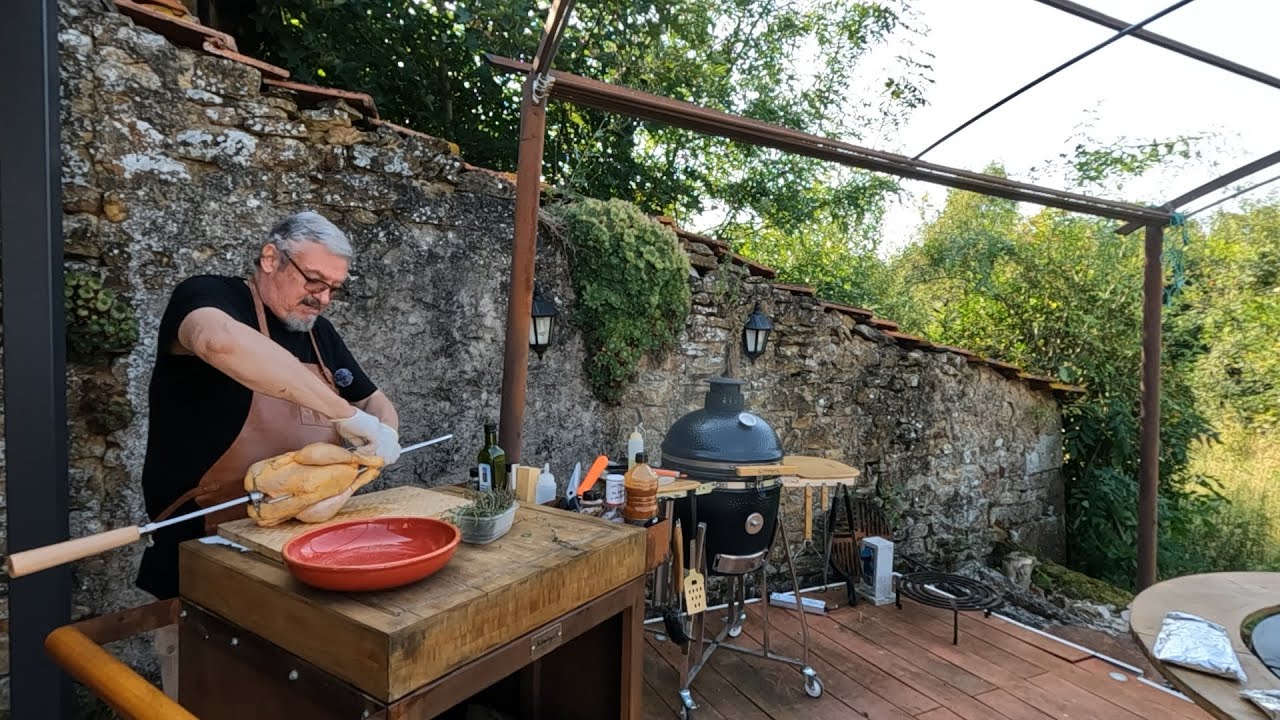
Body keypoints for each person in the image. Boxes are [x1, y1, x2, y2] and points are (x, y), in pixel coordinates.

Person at [135, 211, 400, 697]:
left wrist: (384, 432)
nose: (322, 298)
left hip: (298, 554)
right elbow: (218, 341)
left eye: (334, 288)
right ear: (271, 258)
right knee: (211, 698)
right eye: (314, 280)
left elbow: (373, 399)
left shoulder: (319, 335)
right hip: (203, 556)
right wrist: (345, 417)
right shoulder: (211, 297)